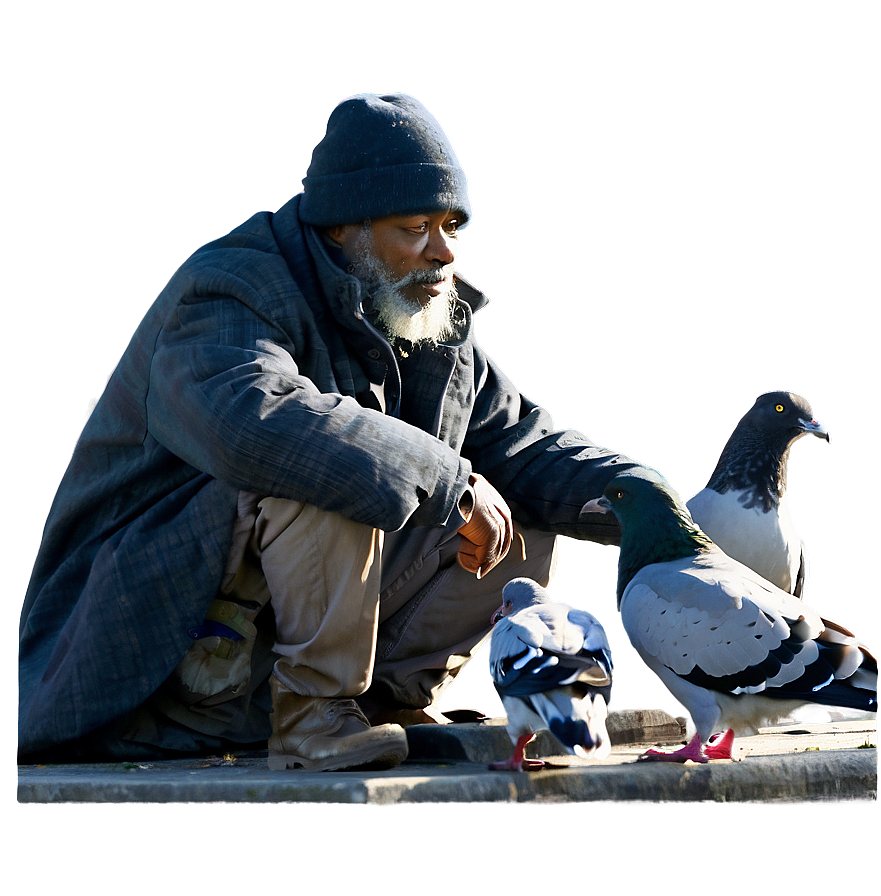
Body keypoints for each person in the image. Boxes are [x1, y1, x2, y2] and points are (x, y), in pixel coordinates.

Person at [18, 92, 650, 771]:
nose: (443, 252)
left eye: (451, 226)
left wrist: (669, 514)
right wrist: (450, 479)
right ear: (341, 229)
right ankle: (313, 719)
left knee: (519, 507)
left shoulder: (424, 317)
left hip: (272, 665)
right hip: (154, 675)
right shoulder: (230, 286)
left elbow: (526, 448)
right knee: (331, 465)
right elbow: (252, 422)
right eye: (415, 228)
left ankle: (385, 701)